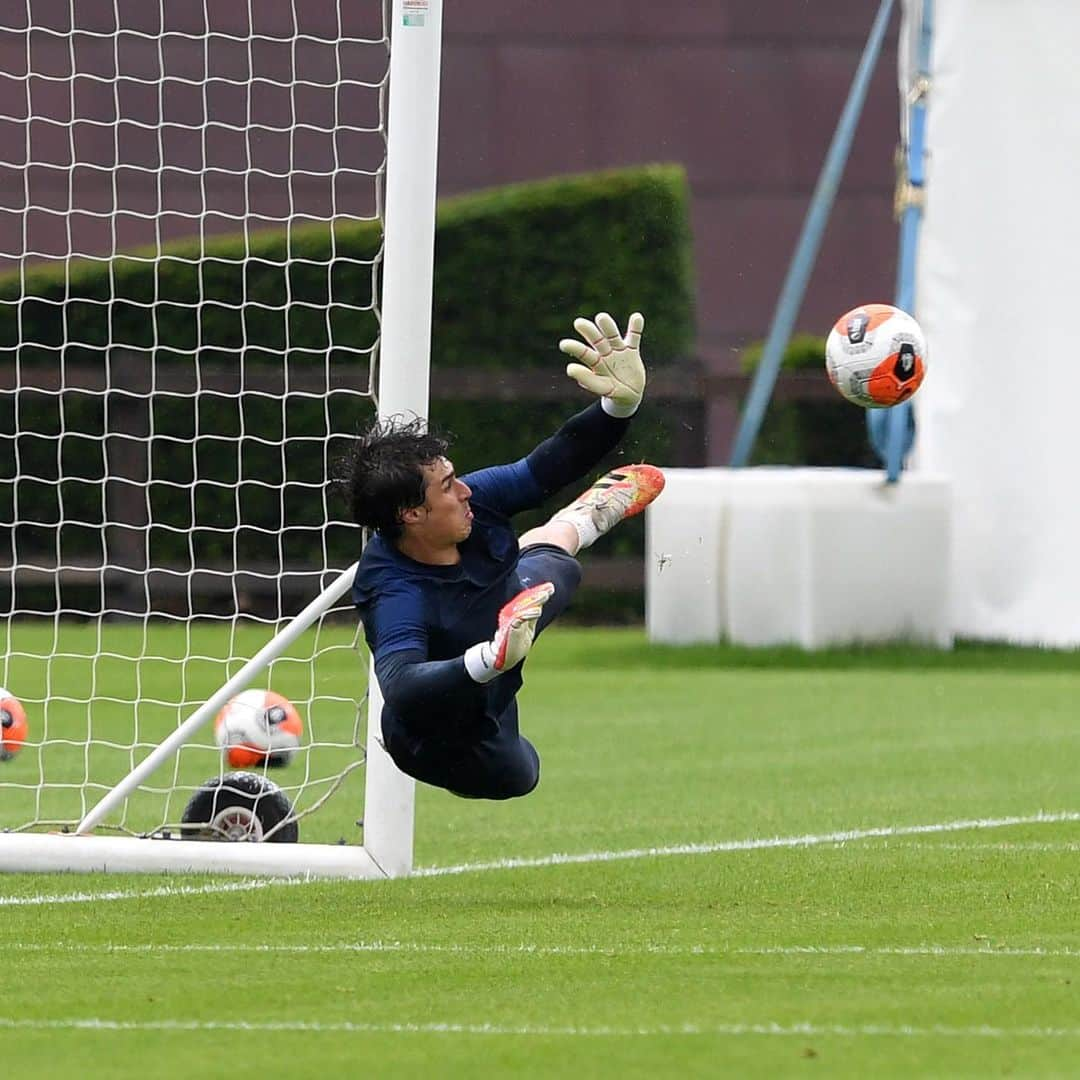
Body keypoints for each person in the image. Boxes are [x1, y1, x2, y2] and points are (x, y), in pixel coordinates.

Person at [342, 312, 664, 800]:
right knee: (520, 775)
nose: (467, 489)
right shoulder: (393, 587)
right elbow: (403, 685)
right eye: (449, 486)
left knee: (559, 573)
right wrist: (487, 659)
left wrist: (616, 408)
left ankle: (582, 519)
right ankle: (560, 537)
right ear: (411, 514)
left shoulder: (471, 501)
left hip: (505, 619)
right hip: (443, 732)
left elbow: (544, 467)